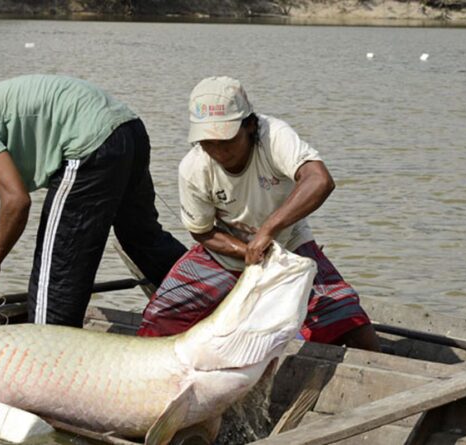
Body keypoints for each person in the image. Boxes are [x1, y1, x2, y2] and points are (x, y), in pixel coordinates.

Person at [0, 74, 186, 327]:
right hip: (127, 130)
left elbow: (17, 201)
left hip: (90, 145)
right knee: (142, 238)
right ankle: (210, 293)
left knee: (54, 281)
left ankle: (48, 368)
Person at [137, 76, 380, 351]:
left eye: (226, 140)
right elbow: (202, 231)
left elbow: (319, 179)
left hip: (288, 245)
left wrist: (268, 231)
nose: (217, 150)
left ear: (250, 126)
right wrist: (246, 251)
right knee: (158, 319)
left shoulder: (273, 136)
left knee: (352, 326)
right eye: (207, 141)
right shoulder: (193, 167)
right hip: (224, 252)